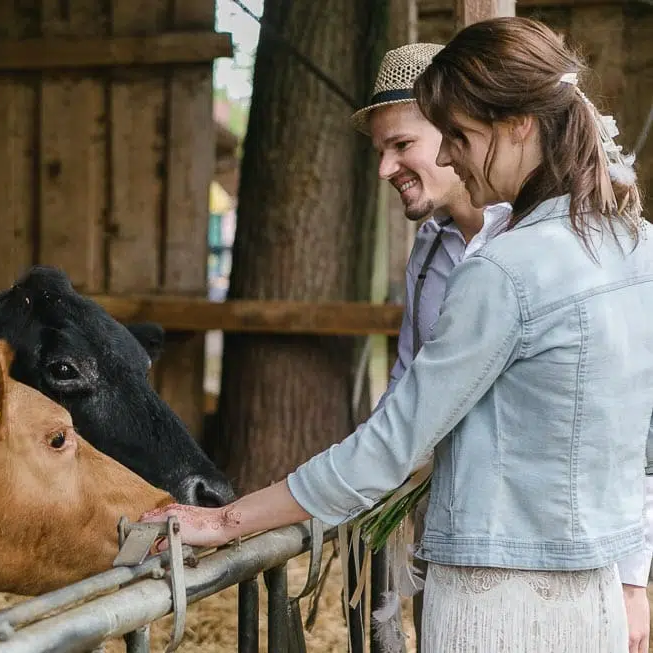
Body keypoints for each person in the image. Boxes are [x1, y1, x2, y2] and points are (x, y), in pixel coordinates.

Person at [142, 17, 653, 652]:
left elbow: (390, 447)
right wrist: (635, 578)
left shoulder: (503, 268)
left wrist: (225, 520)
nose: (445, 155)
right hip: (593, 596)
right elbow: (641, 443)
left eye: (458, 135)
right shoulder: (636, 246)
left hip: (499, 600)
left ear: (519, 124)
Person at [356, 42, 653, 652]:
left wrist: (629, 576)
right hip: (456, 545)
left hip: (552, 565)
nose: (387, 168)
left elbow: (625, 422)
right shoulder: (430, 248)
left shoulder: (550, 245)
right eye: (379, 151)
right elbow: (409, 394)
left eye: (402, 145)